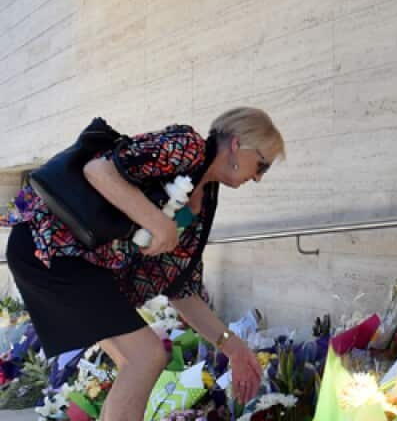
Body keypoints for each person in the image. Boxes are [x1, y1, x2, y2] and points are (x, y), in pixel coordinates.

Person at [5, 107, 284, 421]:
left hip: (79, 264)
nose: (258, 177)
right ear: (237, 144)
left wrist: (234, 347)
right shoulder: (187, 147)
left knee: (135, 361)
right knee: (147, 356)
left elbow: (181, 288)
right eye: (262, 164)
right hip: (50, 248)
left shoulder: (203, 202)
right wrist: (159, 224)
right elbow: (98, 170)